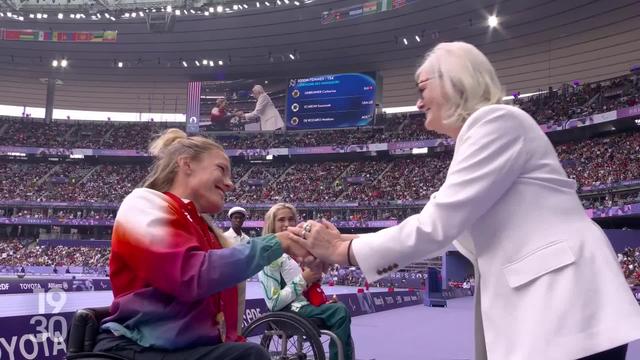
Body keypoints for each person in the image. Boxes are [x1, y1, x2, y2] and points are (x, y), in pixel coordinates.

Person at [288, 42, 640, 360]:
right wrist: (341, 240)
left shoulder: (495, 122)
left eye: (423, 88)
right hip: (555, 314)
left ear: (455, 82)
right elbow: (443, 228)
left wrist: (341, 251)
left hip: (567, 308)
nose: (418, 102)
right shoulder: (483, 136)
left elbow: (437, 225)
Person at [94, 129, 309, 360]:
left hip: (182, 347)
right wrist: (277, 242)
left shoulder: (202, 226)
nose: (230, 184)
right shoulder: (142, 203)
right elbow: (191, 274)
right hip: (137, 347)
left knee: (249, 353)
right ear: (186, 164)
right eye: (221, 169)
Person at [258, 203, 353, 360]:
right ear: (271, 224)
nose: (287, 224)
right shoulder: (269, 256)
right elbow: (273, 303)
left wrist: (322, 302)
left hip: (301, 306)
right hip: (286, 311)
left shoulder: (298, 252)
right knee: (339, 313)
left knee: (338, 308)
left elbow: (303, 290)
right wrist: (304, 278)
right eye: (281, 220)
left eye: (291, 219)